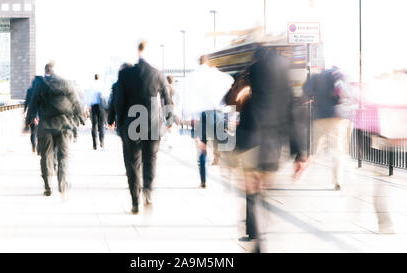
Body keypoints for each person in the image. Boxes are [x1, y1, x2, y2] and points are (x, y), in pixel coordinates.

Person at [233, 47, 307, 252]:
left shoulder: (249, 74)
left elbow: (232, 99)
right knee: (262, 191)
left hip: (249, 140)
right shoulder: (284, 78)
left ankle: (256, 236)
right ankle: (261, 233)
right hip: (273, 145)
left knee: (251, 192)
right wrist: (300, 153)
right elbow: (293, 113)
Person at [116, 41, 173, 214]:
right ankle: (148, 189)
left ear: (137, 52)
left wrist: (120, 124)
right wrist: (168, 121)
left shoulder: (125, 74)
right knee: (151, 158)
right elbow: (168, 100)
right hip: (154, 123)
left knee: (133, 163)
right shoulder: (158, 74)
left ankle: (135, 201)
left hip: (132, 123)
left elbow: (119, 101)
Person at [25, 62, 84, 197]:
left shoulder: (40, 84)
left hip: (45, 125)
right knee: (63, 156)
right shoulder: (67, 84)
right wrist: (80, 118)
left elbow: (33, 102)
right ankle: (62, 183)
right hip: (64, 125)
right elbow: (76, 102)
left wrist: (28, 120)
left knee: (46, 156)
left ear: (46, 71)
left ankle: (47, 186)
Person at [184, 55, 233, 188]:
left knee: (202, 149)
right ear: (208, 62)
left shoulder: (193, 77)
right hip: (217, 114)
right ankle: (228, 175)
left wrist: (189, 117)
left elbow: (188, 99)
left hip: (201, 116)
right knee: (224, 146)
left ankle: (203, 180)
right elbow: (229, 82)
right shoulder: (216, 74)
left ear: (198, 62)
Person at [303, 66, 353, 191]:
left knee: (315, 148)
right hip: (338, 117)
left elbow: (306, 92)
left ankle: (304, 171)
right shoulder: (341, 75)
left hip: (320, 117)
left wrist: (316, 98)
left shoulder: (316, 77)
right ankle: (338, 181)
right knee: (338, 150)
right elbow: (347, 94)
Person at [84, 74, 106, 150]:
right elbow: (105, 97)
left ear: (94, 78)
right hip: (101, 107)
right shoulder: (102, 86)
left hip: (93, 107)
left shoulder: (91, 86)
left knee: (94, 125)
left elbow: (88, 98)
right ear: (99, 78)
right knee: (101, 125)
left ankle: (94, 144)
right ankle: (102, 141)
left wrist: (87, 107)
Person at [24, 79, 39, 153]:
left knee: (33, 131)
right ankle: (39, 149)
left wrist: (24, 110)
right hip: (40, 114)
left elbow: (26, 102)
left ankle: (33, 145)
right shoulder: (41, 90)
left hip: (31, 114)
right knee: (40, 132)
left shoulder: (29, 90)